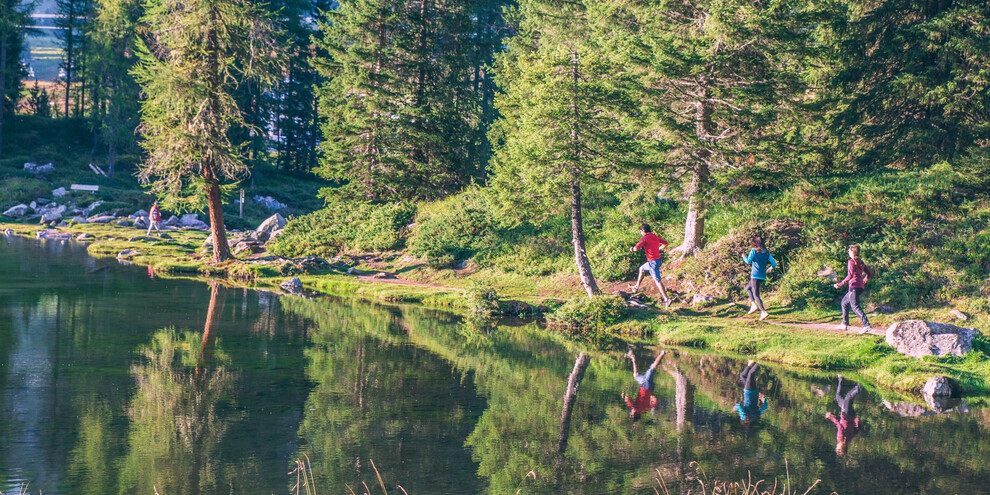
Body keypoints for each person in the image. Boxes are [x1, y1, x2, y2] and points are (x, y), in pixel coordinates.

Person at [629, 223, 671, 308]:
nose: (640, 233)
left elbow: (636, 248)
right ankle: (636, 287)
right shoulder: (654, 236)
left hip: (652, 262)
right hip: (658, 260)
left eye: (640, 231)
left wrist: (632, 249)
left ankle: (666, 299)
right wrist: (658, 249)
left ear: (643, 231)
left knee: (658, 281)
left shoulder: (645, 238)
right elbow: (665, 243)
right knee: (642, 269)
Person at [834, 245, 874, 333]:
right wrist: (863, 281)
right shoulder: (861, 262)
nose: (848, 252)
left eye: (849, 250)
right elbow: (869, 274)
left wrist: (840, 284)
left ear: (852, 252)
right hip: (859, 287)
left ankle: (866, 325)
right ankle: (844, 324)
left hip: (854, 287)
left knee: (855, 307)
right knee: (844, 302)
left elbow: (850, 275)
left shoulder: (851, 262)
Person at [622, 348, 666, 420]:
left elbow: (655, 404)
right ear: (634, 414)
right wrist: (624, 396)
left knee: (636, 375)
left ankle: (633, 357)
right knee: (652, 367)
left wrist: (652, 397)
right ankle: (663, 353)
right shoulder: (635, 408)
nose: (631, 411)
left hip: (649, 387)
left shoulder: (644, 410)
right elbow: (628, 399)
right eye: (631, 413)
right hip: (645, 385)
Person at [826, 375, 863, 456]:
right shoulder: (840, 438)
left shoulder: (849, 439)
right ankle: (860, 386)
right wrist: (831, 417)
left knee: (838, 396)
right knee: (848, 397)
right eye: (837, 448)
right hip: (846, 414)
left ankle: (841, 379)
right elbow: (839, 426)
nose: (836, 447)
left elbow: (857, 429)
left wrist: (857, 421)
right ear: (841, 447)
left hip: (850, 414)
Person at [742, 236, 776, 321]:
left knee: (756, 295)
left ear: (755, 243)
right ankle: (753, 304)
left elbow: (748, 261)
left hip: (755, 275)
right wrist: (771, 268)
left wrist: (743, 256)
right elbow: (774, 263)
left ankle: (763, 312)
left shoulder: (754, 251)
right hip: (762, 276)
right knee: (747, 288)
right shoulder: (767, 252)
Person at [734, 360, 768, 424]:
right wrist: (735, 407)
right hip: (748, 391)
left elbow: (765, 406)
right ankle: (760, 361)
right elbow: (739, 406)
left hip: (754, 392)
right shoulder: (744, 416)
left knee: (742, 376)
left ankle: (750, 363)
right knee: (750, 374)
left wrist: (763, 400)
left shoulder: (757, 415)